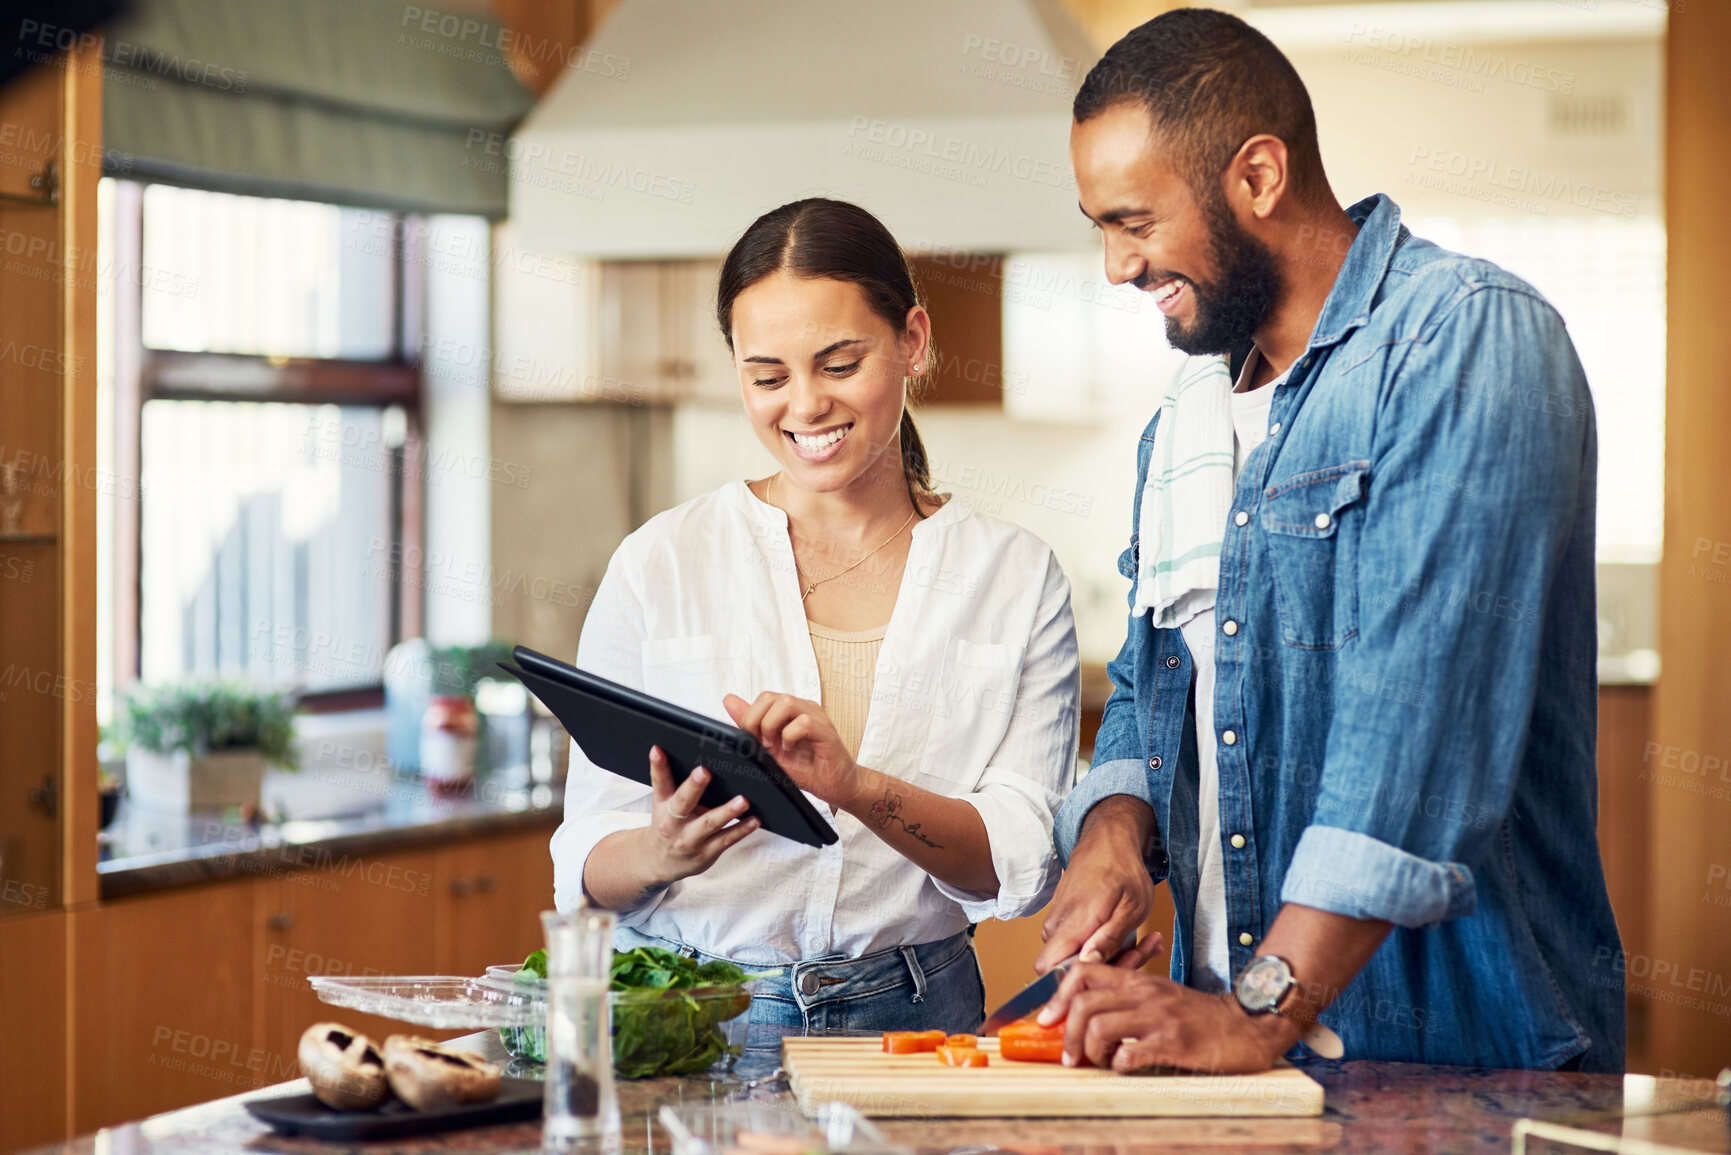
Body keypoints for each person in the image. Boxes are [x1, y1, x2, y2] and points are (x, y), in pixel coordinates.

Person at [1034, 9, 1623, 1074]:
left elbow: (1419, 722)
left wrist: (1264, 1008)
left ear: (1257, 176)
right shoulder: (1190, 417)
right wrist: (1113, 831)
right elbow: (1149, 679)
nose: (1116, 266)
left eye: (1133, 221)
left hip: (1449, 1053)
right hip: (1240, 1047)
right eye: (1099, 228)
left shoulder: (1463, 337)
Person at [550, 198, 1081, 1048]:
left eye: (839, 363)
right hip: (694, 1015)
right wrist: (661, 848)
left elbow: (1018, 858)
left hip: (914, 1017)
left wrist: (855, 788)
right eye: (767, 377)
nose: (804, 406)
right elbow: (585, 850)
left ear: (912, 340)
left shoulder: (1012, 576)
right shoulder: (660, 561)